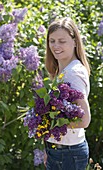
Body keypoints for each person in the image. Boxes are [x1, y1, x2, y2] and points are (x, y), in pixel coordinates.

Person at [44, 17, 91, 170]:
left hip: (68, 154)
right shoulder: (63, 71)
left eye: (62, 41)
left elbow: (84, 120)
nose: (56, 46)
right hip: (61, 150)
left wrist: (49, 124)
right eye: (52, 41)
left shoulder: (73, 73)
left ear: (74, 41)